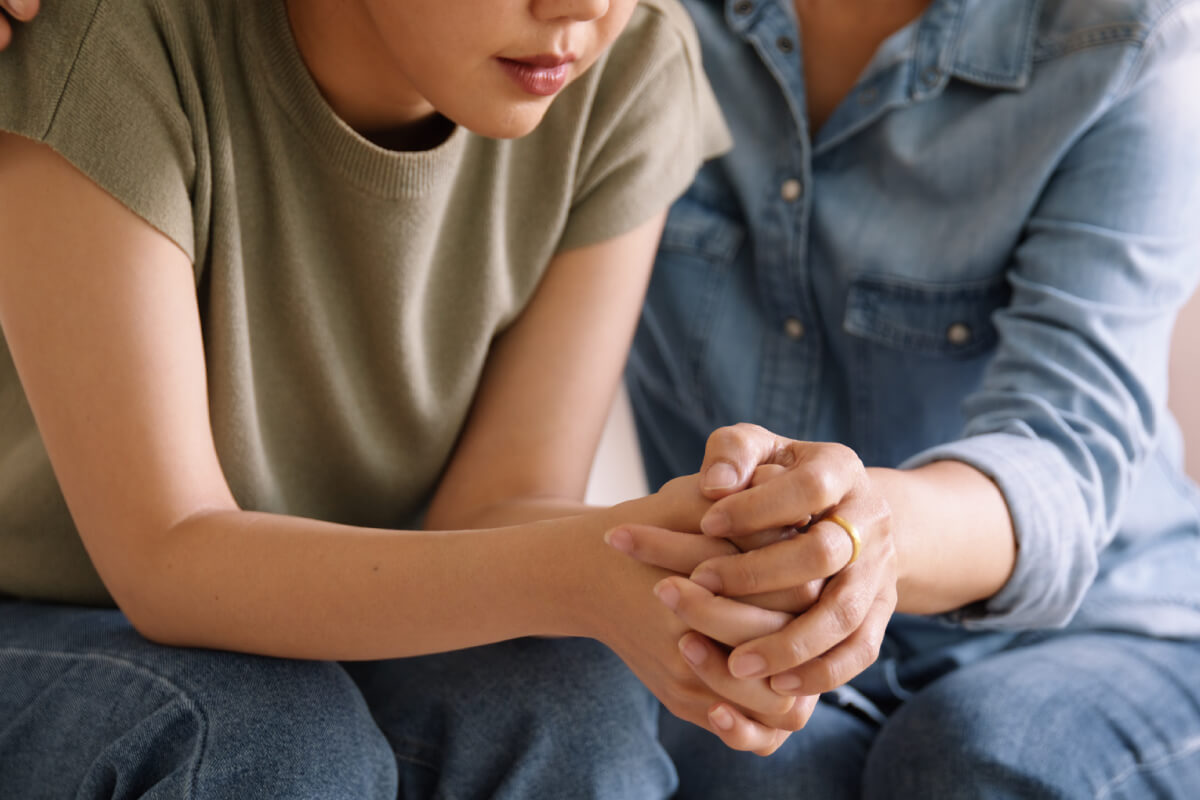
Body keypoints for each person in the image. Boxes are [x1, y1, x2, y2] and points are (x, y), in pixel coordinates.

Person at [0, 0, 820, 796]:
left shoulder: (627, 62)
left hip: (364, 618)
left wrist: (685, 553)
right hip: (48, 614)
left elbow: (495, 507)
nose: (583, 6)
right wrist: (578, 569)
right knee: (261, 738)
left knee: (571, 706)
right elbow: (165, 559)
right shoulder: (118, 31)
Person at [606, 0, 1200, 796]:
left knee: (974, 755)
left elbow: (1067, 448)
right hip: (759, 630)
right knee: (738, 768)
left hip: (1103, 624)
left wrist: (865, 531)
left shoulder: (1126, 34)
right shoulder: (627, 21)